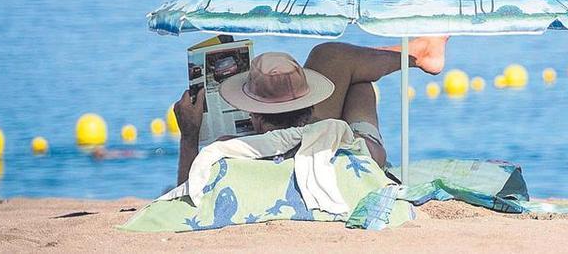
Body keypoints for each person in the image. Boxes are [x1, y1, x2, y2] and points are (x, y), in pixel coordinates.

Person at [173, 36, 448, 186]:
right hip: (331, 145)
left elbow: (186, 194)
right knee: (344, 69)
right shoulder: (338, 141)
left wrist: (189, 136)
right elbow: (375, 156)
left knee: (337, 63)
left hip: (290, 148)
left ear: (253, 115)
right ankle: (416, 54)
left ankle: (417, 53)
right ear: (312, 105)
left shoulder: (226, 150)